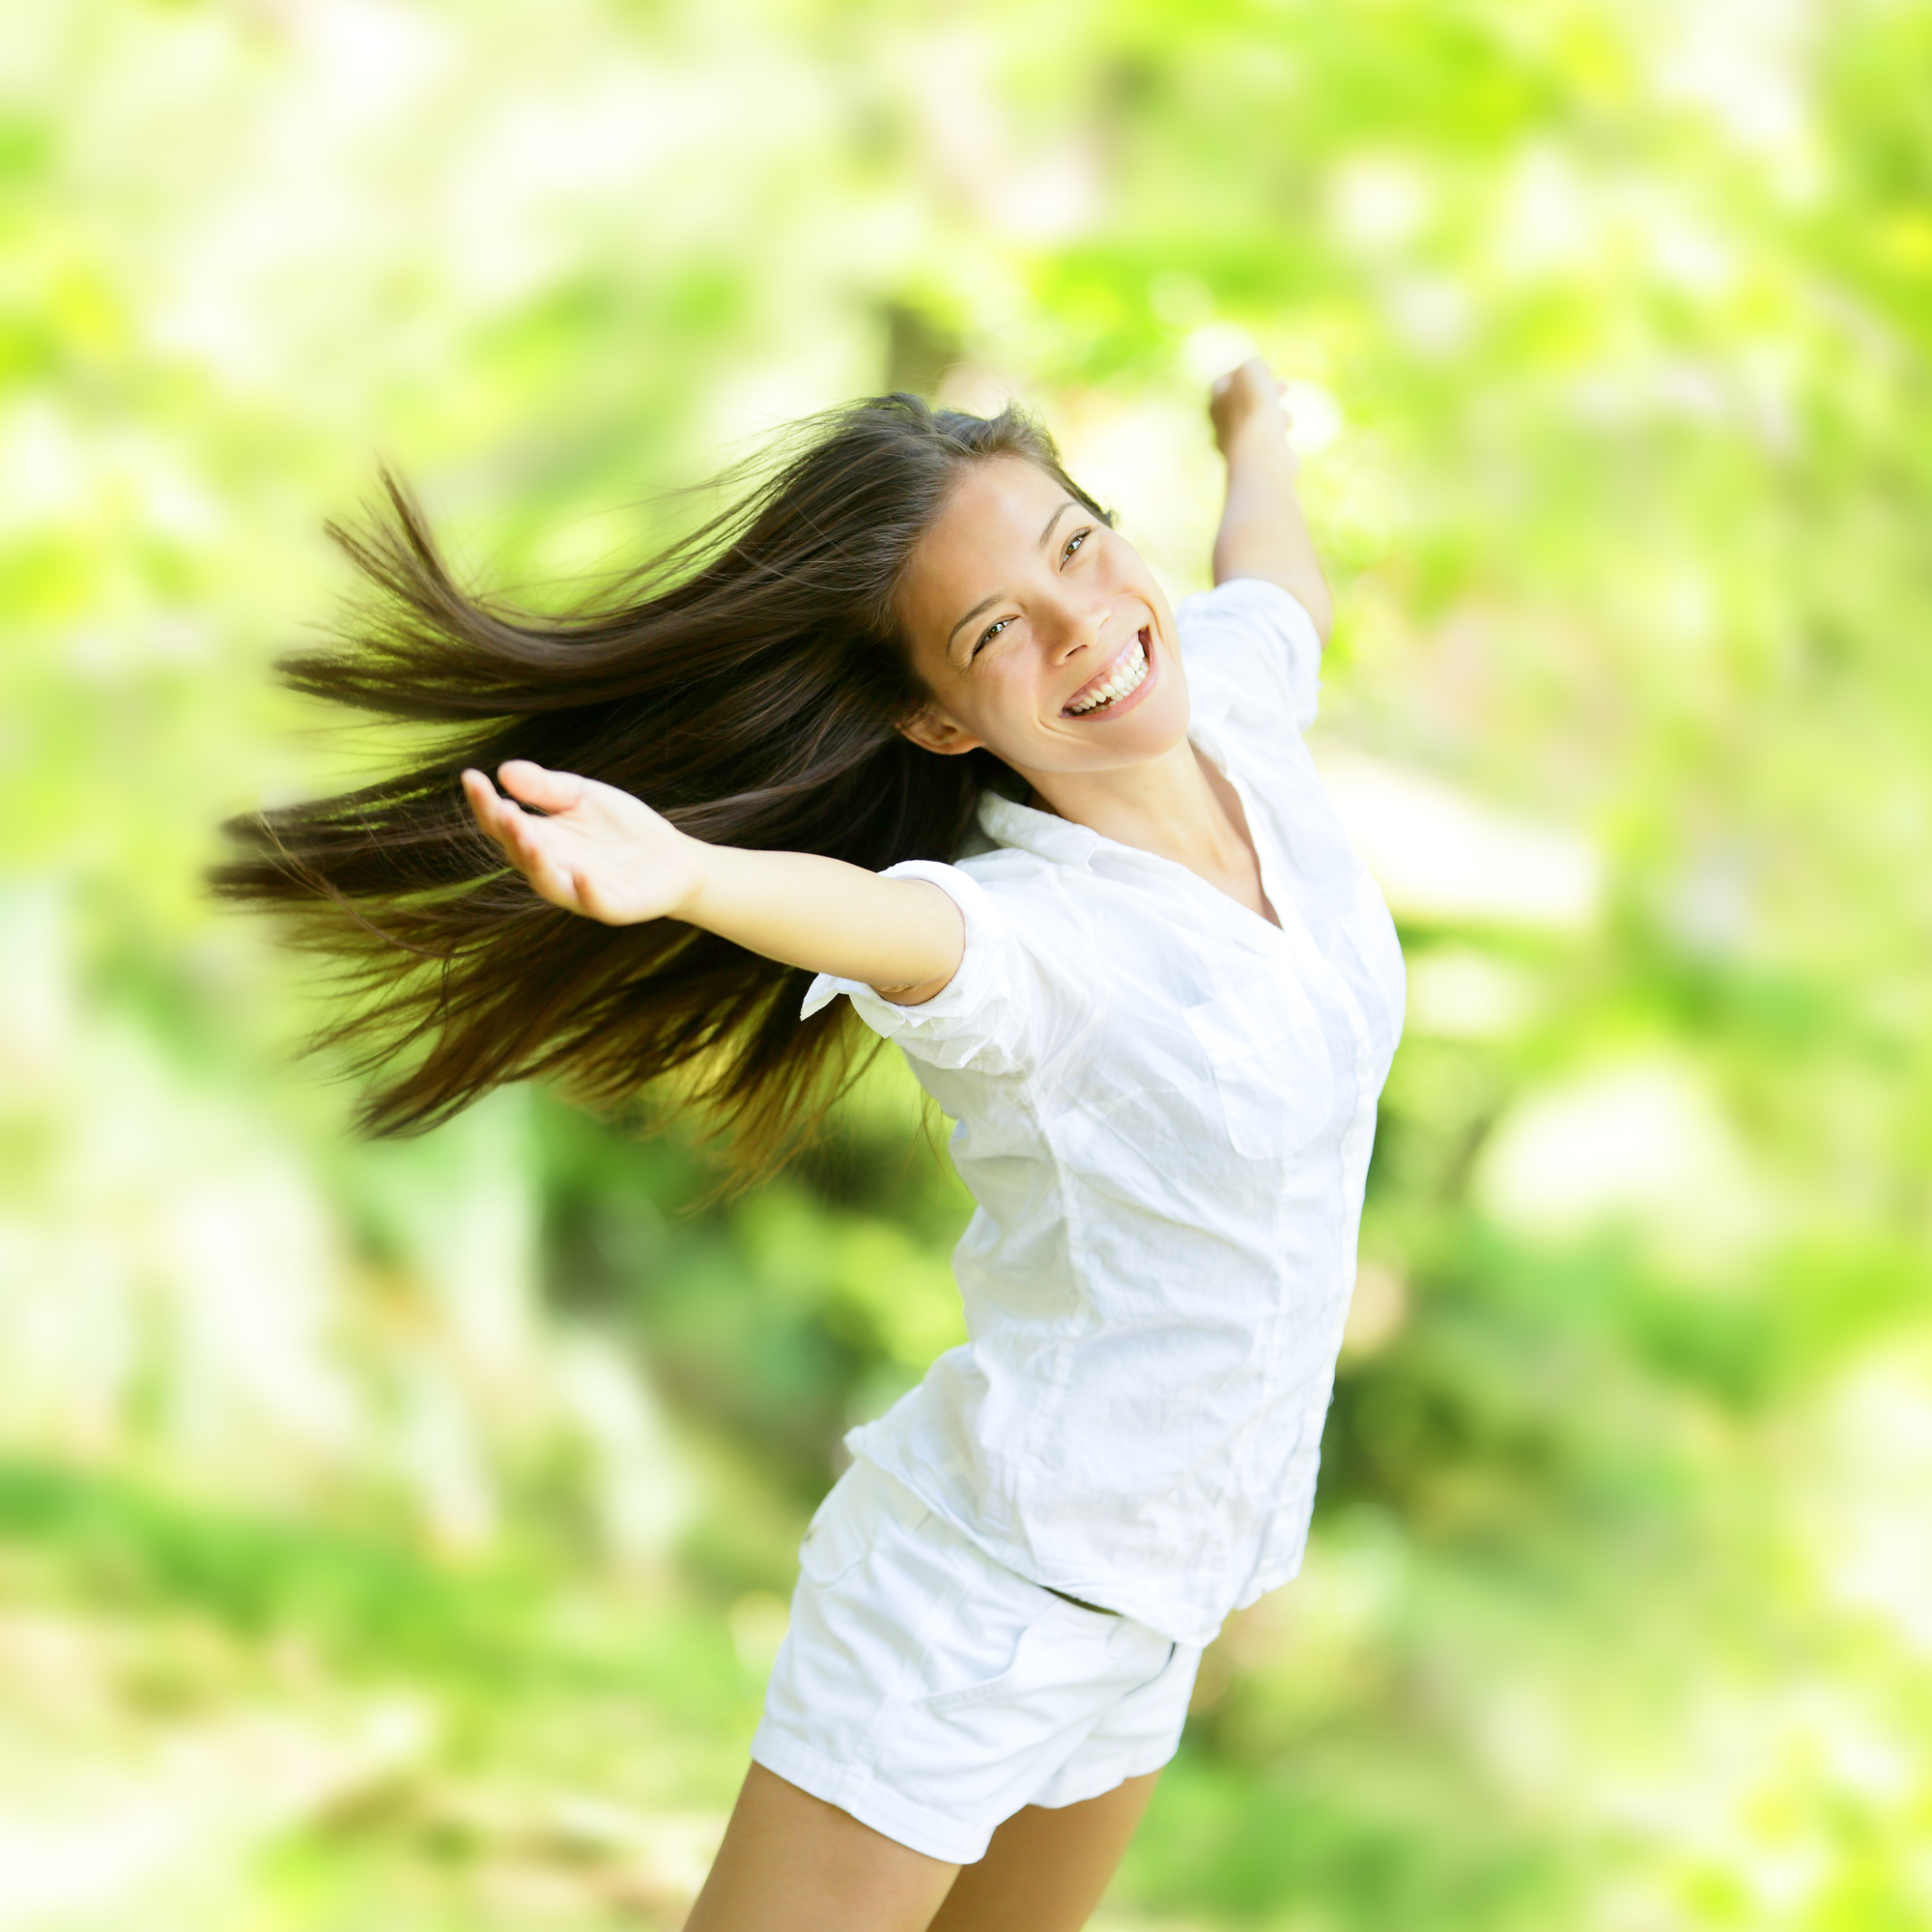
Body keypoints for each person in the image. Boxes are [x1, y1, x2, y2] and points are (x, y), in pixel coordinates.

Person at [216, 356, 1404, 1931]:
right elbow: (899, 932)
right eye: (995, 631)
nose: (1082, 623)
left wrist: (1256, 434)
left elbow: (1275, 580)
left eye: (1077, 544)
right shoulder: (1034, 936)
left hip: (1157, 1608)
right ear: (937, 716)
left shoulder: (1238, 710)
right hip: (974, 1608)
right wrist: (687, 875)